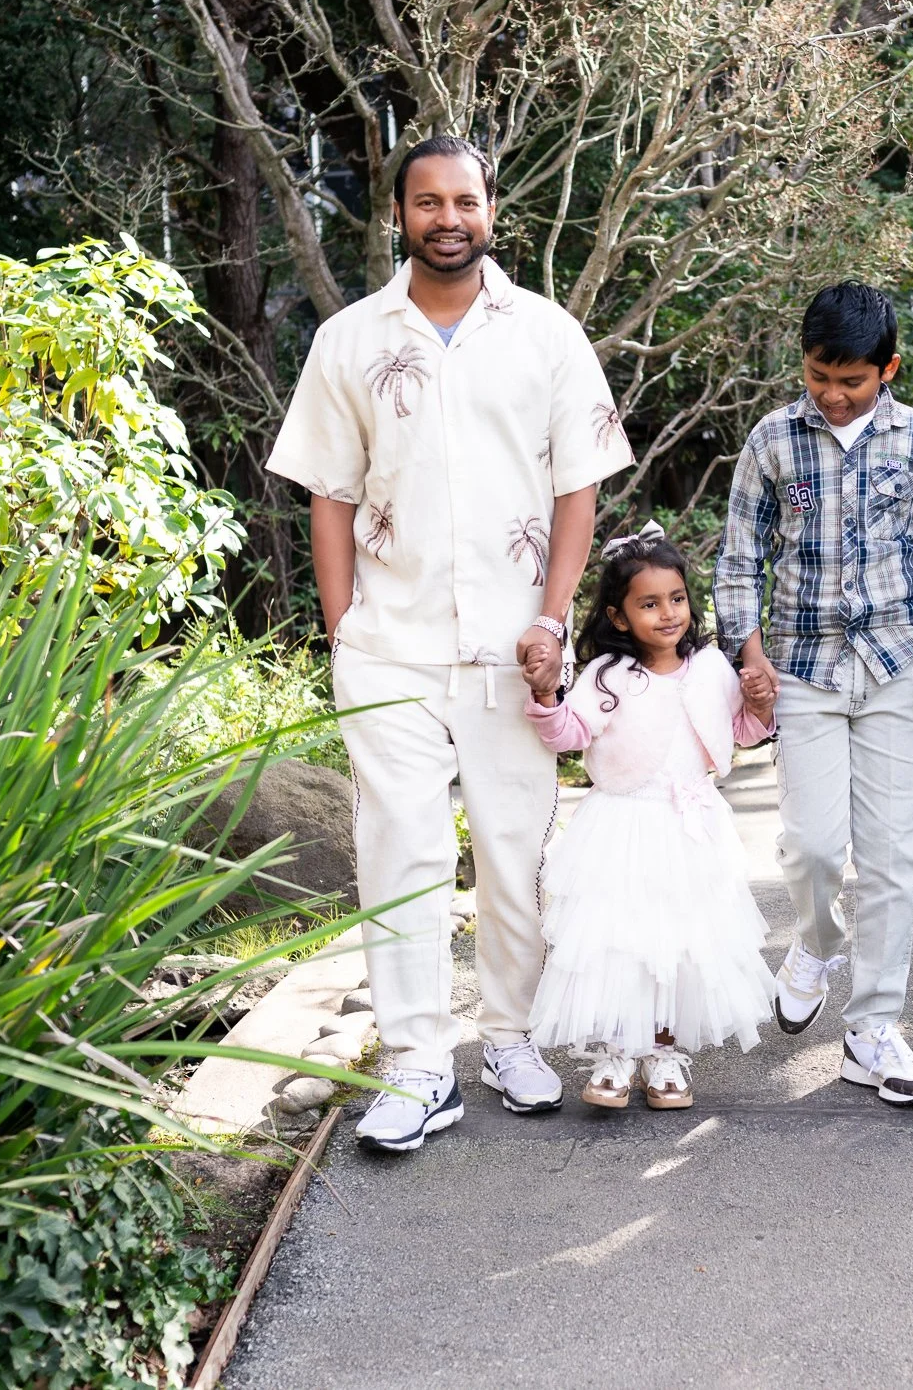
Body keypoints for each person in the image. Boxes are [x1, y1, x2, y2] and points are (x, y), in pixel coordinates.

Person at [266, 134, 634, 1154]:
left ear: (490, 208)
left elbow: (578, 487)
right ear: (399, 215)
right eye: (425, 201)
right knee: (402, 857)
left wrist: (553, 619)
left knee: (517, 857)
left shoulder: (548, 335)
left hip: (516, 651)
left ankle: (511, 1036)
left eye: (462, 198)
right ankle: (418, 1063)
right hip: (391, 646)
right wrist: (344, 630)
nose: (446, 217)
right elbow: (328, 496)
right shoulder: (348, 338)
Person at [715, 282, 913, 1105]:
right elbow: (738, 560)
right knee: (810, 846)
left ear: (888, 369)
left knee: (894, 858)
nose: (832, 395)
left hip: (895, 666)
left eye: (852, 382)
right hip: (802, 669)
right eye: (817, 376)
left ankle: (872, 1029)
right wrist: (748, 655)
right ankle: (813, 940)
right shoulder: (772, 440)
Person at [520, 525, 779, 1110]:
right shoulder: (607, 676)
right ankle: (616, 1049)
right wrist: (545, 697)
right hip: (622, 826)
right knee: (621, 942)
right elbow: (570, 734)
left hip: (691, 827)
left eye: (677, 599)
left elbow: (736, 731)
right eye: (649, 604)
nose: (668, 614)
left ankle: (663, 1051)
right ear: (618, 616)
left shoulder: (712, 666)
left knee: (678, 943)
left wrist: (761, 704)